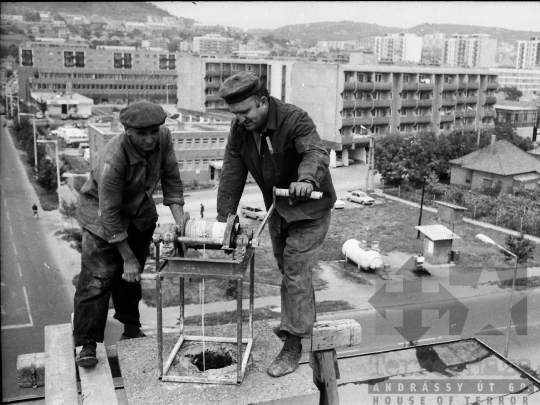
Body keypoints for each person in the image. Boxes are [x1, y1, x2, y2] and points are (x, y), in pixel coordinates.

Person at [216, 72, 336, 377]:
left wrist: (306, 179)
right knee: (289, 270)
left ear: (263, 101)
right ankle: (300, 321)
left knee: (296, 269)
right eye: (235, 114)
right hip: (278, 210)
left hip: (310, 210)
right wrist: (224, 221)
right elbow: (231, 176)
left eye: (245, 112)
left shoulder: (295, 119)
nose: (241, 119)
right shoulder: (239, 132)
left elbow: (315, 152)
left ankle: (293, 343)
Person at [73, 101, 185, 368]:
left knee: (130, 280)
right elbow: (109, 215)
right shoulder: (112, 160)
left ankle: (131, 329)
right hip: (102, 220)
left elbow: (171, 179)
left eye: (153, 132)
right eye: (141, 134)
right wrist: (128, 257)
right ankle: (87, 343)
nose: (149, 139)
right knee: (97, 281)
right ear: (126, 130)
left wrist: (182, 224)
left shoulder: (164, 137)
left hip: (139, 213)